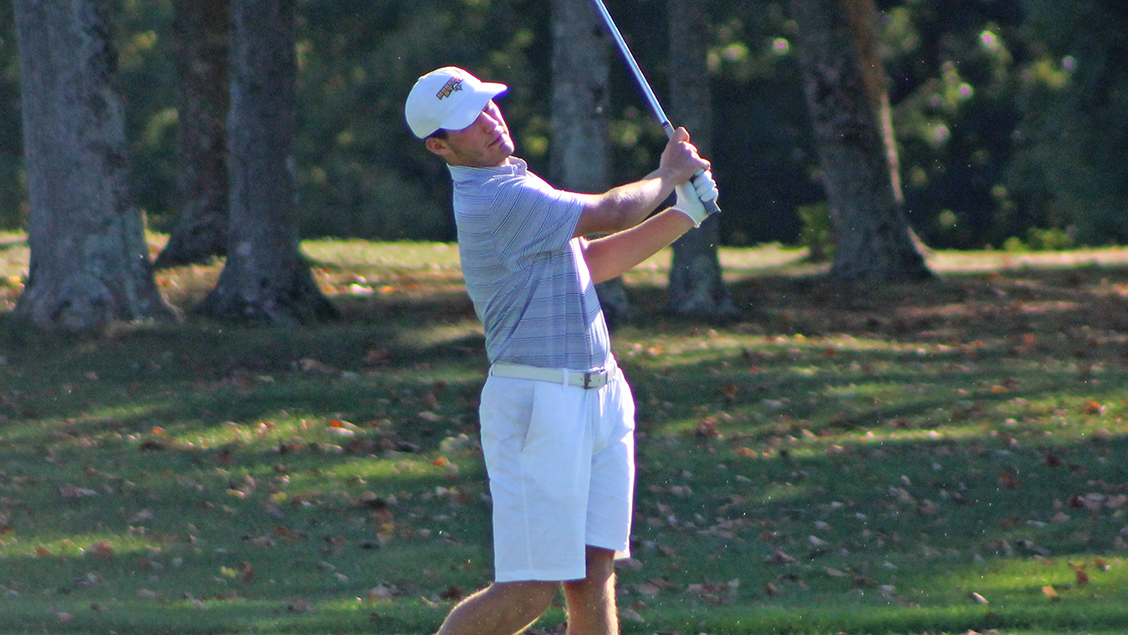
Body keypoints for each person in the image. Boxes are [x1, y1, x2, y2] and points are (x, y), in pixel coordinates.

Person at [404, 66, 718, 635]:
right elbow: (614, 212)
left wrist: (685, 215)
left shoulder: (520, 184)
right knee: (527, 591)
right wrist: (669, 174)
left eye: (485, 106)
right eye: (466, 122)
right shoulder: (496, 199)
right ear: (439, 146)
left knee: (593, 576)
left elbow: (589, 264)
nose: (488, 122)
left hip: (599, 394)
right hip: (537, 405)